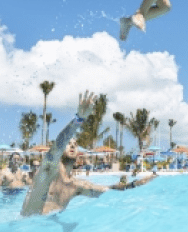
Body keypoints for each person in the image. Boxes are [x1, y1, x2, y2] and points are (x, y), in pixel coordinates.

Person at [21, 91, 157, 216]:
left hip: (47, 231)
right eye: (69, 143)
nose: (73, 144)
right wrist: (78, 119)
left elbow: (108, 190)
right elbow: (58, 144)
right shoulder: (48, 169)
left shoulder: (76, 186)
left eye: (76, 143)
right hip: (26, 227)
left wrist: (136, 184)